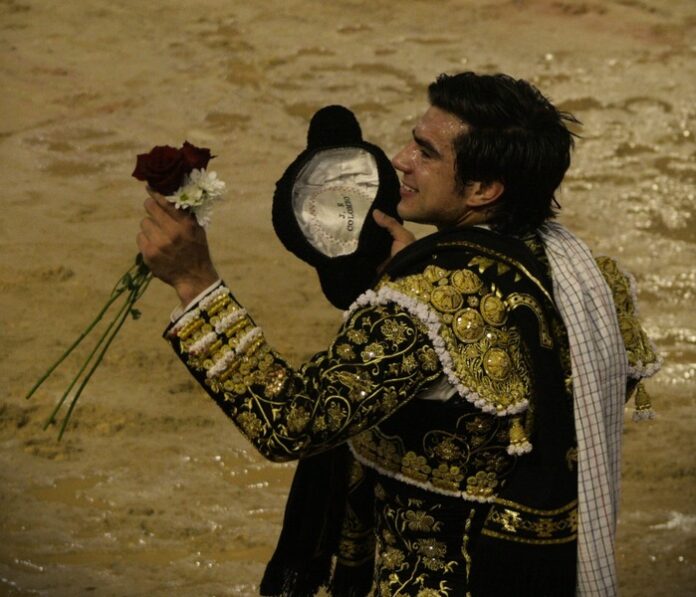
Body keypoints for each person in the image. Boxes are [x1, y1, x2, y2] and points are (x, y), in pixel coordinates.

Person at [137, 72, 660, 596]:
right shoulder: (590, 278)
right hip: (538, 572)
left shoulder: (425, 304)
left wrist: (195, 282)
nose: (400, 160)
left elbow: (291, 422)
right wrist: (416, 264)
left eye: (426, 153)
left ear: (483, 189)